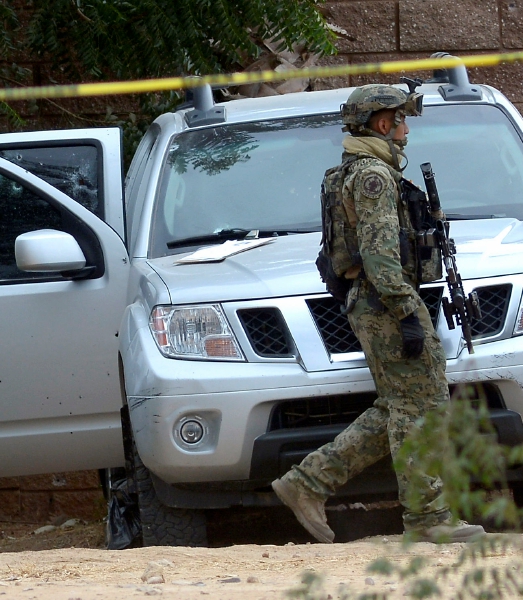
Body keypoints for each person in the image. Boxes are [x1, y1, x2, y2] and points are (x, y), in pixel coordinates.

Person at [272, 84, 485, 544]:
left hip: (374, 302)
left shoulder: (351, 171)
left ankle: (308, 483)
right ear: (384, 124)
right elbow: (380, 255)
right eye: (402, 121)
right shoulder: (373, 176)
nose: (407, 132)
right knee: (424, 407)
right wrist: (408, 311)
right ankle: (429, 519)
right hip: (387, 302)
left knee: (399, 407)